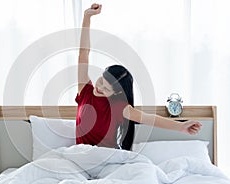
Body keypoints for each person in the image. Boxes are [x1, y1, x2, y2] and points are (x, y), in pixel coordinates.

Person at [75, 3, 202, 150]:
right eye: (102, 81)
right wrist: (87, 17)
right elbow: (83, 54)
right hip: (82, 156)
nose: (99, 87)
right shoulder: (85, 90)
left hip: (106, 158)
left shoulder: (119, 107)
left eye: (106, 88)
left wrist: (181, 127)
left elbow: (151, 119)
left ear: (116, 93)